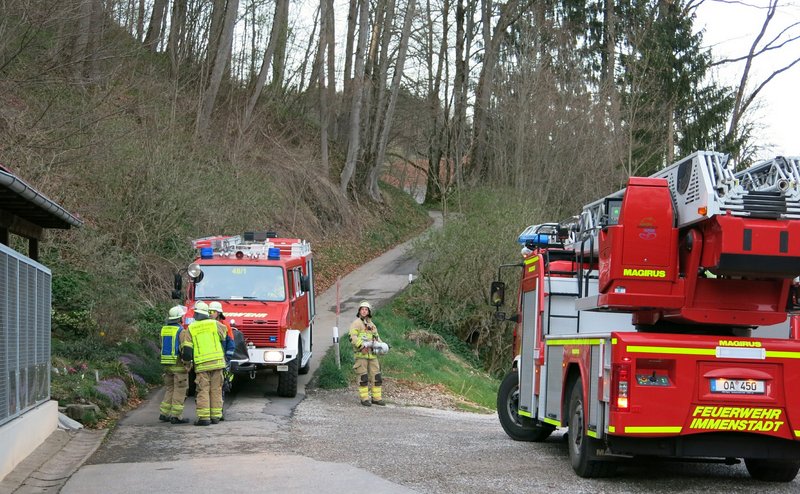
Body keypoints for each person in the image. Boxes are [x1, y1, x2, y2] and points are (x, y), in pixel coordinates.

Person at [182, 301, 228, 425]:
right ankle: (216, 416)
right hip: (217, 363)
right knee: (216, 390)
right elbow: (224, 336)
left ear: (196, 314)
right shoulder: (215, 324)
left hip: (202, 365)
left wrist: (187, 363)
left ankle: (204, 418)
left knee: (203, 390)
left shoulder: (191, 328)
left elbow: (187, 351)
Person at [349, 300, 385, 406]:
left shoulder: (372, 325)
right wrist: (361, 347)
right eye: (362, 309)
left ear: (369, 312)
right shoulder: (356, 323)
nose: (364, 311)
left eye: (366, 309)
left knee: (377, 376)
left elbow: (377, 338)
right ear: (359, 311)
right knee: (363, 377)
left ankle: (376, 398)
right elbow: (352, 337)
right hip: (361, 355)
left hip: (372, 355)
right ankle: (364, 399)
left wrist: (383, 346)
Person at [159, 305, 190, 424]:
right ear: (179, 318)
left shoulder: (164, 329)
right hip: (178, 364)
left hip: (167, 364)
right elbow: (184, 349)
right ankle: (176, 416)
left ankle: (164, 413)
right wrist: (187, 364)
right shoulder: (181, 331)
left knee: (170, 389)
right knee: (180, 389)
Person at [208, 301, 235, 420]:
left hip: (221, 361)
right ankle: (210, 412)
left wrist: (227, 359)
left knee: (220, 387)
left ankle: (219, 412)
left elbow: (231, 343)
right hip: (209, 360)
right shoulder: (206, 325)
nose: (209, 314)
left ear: (218, 313)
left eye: (212, 311)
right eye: (208, 311)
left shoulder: (225, 325)